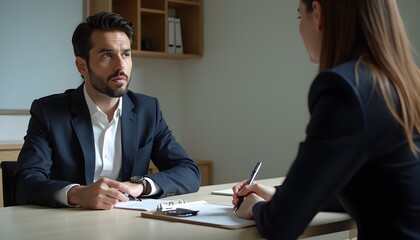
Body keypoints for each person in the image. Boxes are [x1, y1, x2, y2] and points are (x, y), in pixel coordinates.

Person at [232, 0, 420, 239]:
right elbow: (379, 191)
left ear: (318, 14)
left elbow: (281, 225)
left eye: (300, 16)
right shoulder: (406, 86)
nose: (300, 29)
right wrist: (278, 195)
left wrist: (254, 207)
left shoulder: (347, 90)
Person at [12, 12, 200, 210]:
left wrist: (140, 186)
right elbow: (24, 183)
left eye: (126, 54)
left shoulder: (147, 110)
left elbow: (188, 171)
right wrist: (77, 194)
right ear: (82, 66)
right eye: (107, 55)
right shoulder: (49, 112)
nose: (121, 66)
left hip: (131, 224)